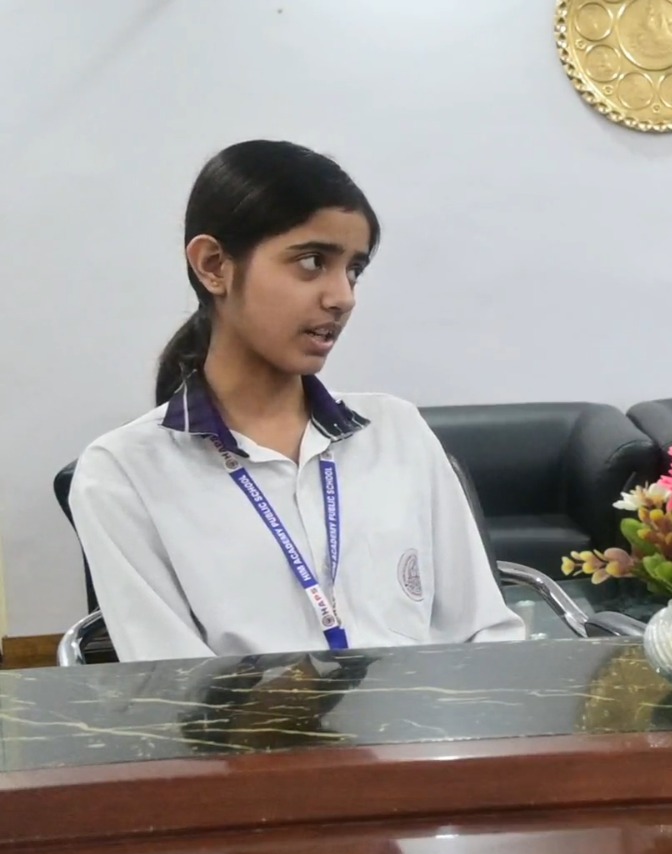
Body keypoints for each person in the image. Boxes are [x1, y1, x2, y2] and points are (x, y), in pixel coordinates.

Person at [69, 139, 525, 661]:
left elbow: (486, 633)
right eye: (312, 262)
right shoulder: (123, 474)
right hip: (247, 720)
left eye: (353, 269)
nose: (343, 297)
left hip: (428, 714)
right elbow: (173, 688)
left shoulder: (396, 431)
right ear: (213, 265)